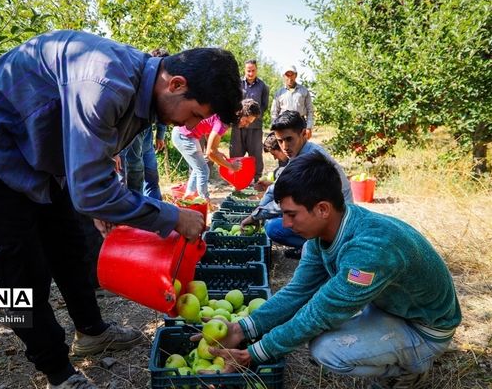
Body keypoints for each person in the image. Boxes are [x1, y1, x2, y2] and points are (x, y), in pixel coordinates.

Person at [0, 30, 242, 389]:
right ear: (176, 84)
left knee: (70, 243)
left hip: (43, 157)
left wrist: (104, 192)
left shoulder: (144, 92)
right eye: (195, 114)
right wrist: (172, 216)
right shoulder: (106, 81)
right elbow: (89, 193)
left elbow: (95, 158)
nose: (192, 127)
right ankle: (57, 371)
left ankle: (92, 332)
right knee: (20, 266)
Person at [204, 151, 462, 389]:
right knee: (320, 328)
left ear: (323, 209)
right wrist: (241, 329)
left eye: (292, 215)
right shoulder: (324, 235)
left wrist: (253, 353)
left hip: (425, 328)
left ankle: (411, 370)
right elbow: (298, 292)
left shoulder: (369, 249)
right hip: (391, 307)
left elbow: (319, 314)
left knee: (327, 350)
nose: (285, 224)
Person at [241, 110, 353, 258]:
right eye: (280, 141)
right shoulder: (299, 154)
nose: (285, 146)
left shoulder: (310, 158)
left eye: (289, 139)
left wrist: (257, 216)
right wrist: (258, 211)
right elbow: (275, 188)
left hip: (337, 222)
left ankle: (319, 248)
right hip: (321, 213)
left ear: (303, 134)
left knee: (274, 227)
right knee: (274, 220)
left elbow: (292, 200)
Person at [172, 99, 260, 200]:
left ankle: (190, 194)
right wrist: (231, 166)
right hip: (183, 135)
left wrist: (216, 151)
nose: (247, 125)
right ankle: (204, 200)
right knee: (204, 170)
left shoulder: (226, 114)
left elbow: (209, 129)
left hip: (189, 135)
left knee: (200, 166)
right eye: (246, 121)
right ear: (240, 113)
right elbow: (210, 153)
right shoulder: (224, 122)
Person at [121, 48, 169, 200]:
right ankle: (136, 208)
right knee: (135, 169)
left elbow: (164, 112)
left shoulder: (164, 90)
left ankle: (155, 207)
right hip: (132, 138)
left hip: (146, 139)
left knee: (152, 174)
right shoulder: (138, 83)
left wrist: (160, 136)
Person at [230, 59, 270, 182]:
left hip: (255, 126)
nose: (251, 73)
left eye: (253, 71)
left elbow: (264, 106)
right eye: (248, 71)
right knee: (236, 153)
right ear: (244, 70)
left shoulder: (263, 86)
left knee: (256, 154)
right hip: (238, 126)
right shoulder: (237, 84)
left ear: (256, 70)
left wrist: (252, 118)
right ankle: (237, 179)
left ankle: (257, 180)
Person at [271, 64, 315, 139]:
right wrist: (275, 128)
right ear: (284, 76)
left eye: (292, 75)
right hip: (283, 124)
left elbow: (310, 110)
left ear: (296, 75)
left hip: (300, 124)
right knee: (287, 148)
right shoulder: (279, 93)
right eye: (287, 75)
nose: (290, 78)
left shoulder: (304, 91)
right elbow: (274, 112)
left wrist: (309, 127)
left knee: (301, 148)